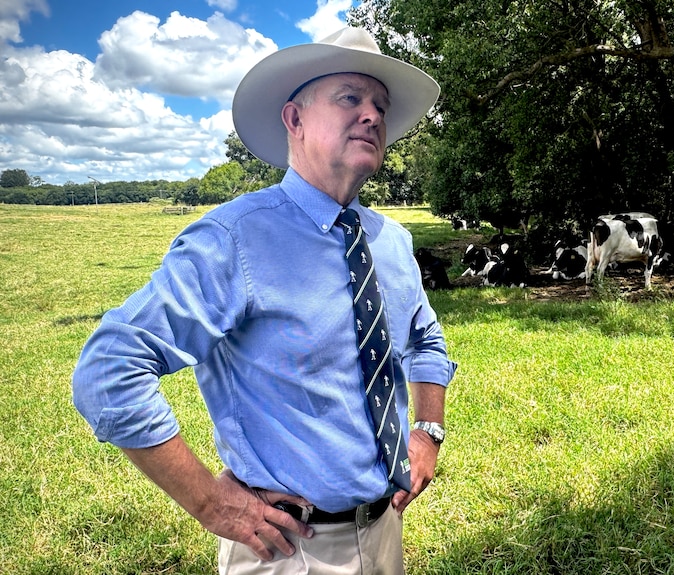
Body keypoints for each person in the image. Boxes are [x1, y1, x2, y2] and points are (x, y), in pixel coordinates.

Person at [72, 26, 456, 575]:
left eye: (380, 104)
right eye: (350, 97)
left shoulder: (390, 242)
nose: (372, 114)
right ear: (294, 120)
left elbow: (423, 337)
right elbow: (109, 370)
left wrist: (428, 430)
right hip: (287, 551)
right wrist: (208, 502)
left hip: (385, 529)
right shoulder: (235, 240)